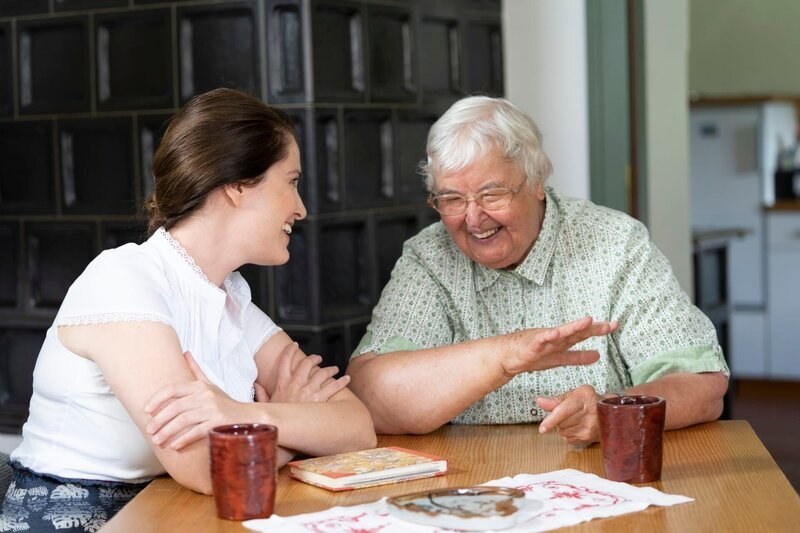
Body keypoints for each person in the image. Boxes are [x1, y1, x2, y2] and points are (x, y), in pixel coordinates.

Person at [2, 88, 376, 531]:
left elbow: (356, 427)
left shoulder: (229, 298)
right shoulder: (124, 281)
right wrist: (298, 421)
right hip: (82, 520)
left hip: (174, 511)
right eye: (291, 181)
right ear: (238, 185)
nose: (301, 208)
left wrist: (246, 416)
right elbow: (205, 469)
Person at [346, 95, 729, 444]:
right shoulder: (428, 257)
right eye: (452, 199)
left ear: (536, 183)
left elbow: (701, 387)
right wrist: (506, 354)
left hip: (595, 474)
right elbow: (370, 395)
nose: (474, 218)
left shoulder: (614, 243)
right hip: (468, 485)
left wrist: (610, 411)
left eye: (492, 194)